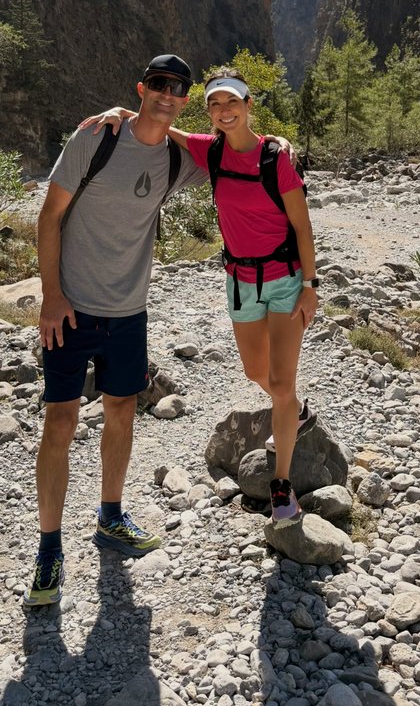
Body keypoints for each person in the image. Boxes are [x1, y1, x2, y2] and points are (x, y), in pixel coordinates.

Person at [87, 67, 319, 528]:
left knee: (282, 379)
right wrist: (124, 112)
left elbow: (303, 225)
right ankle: (293, 412)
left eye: (232, 101)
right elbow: (161, 126)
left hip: (285, 280)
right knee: (256, 372)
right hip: (239, 280)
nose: (224, 110)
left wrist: (311, 286)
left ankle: (281, 485)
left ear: (249, 104)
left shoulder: (276, 158)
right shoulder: (208, 150)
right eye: (215, 104)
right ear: (210, 112)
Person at [24, 54, 206, 609]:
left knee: (123, 411)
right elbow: (49, 217)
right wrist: (51, 297)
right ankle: (48, 550)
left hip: (129, 312)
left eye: (178, 88)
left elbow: (238, 149)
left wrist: (280, 144)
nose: (167, 93)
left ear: (185, 99)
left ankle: (109, 517)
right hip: (71, 309)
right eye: (158, 84)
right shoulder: (94, 139)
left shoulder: (180, 157)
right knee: (61, 420)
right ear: (142, 87)